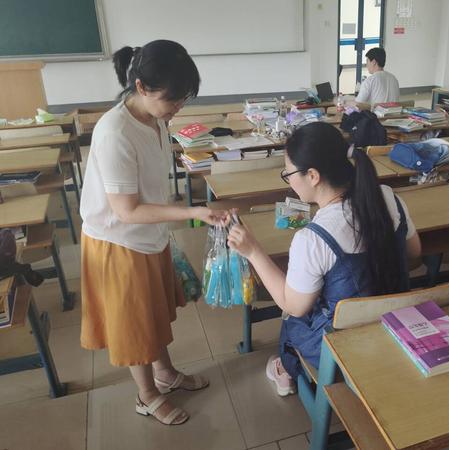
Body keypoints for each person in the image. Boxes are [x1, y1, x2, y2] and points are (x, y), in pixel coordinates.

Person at [79, 40, 227, 426]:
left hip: (147, 234)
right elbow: (126, 210)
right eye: (172, 99)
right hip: (118, 241)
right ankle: (146, 395)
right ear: (141, 87)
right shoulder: (115, 132)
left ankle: (165, 374)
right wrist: (193, 211)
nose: (178, 107)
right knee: (136, 325)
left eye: (183, 98)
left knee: (152, 314)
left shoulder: (155, 118)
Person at [227, 122, 421, 395]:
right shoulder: (389, 197)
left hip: (345, 344)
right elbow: (414, 255)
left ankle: (287, 367)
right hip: (395, 321)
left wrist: (253, 252)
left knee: (293, 318)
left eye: (288, 173)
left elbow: (294, 306)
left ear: (313, 176)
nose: (289, 180)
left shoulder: (312, 238)